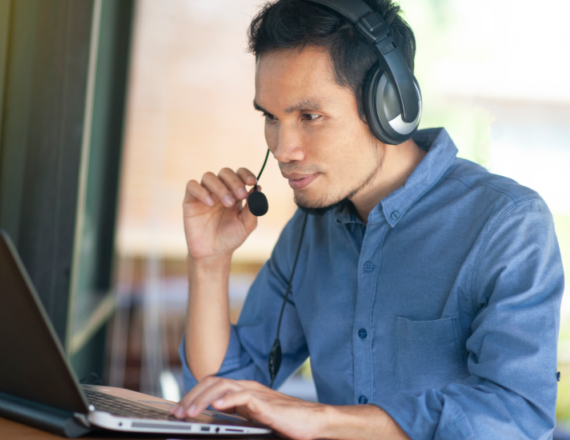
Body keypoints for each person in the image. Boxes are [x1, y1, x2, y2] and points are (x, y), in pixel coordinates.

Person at [168, 0, 565, 439]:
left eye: (310, 117)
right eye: (271, 118)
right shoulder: (309, 231)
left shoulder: (507, 223)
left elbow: (516, 418)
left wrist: (319, 420)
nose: (282, 150)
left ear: (389, 105)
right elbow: (217, 391)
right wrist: (208, 261)